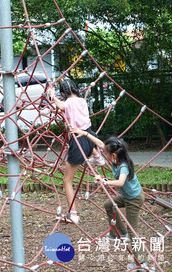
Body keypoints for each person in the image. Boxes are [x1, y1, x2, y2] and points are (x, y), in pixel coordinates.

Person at [70, 129, 148, 272]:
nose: (103, 155)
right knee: (109, 205)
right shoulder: (116, 159)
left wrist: (104, 181)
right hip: (126, 196)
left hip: (134, 199)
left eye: (106, 154)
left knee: (133, 231)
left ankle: (142, 263)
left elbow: (120, 183)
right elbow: (100, 144)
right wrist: (85, 134)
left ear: (113, 155)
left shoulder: (123, 166)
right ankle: (119, 233)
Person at [48, 79, 103, 224]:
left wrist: (52, 96)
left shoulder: (68, 102)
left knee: (67, 180)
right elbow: (67, 109)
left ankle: (73, 214)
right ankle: (96, 156)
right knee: (88, 152)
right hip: (90, 135)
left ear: (62, 93)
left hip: (78, 140)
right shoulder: (81, 101)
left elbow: (61, 105)